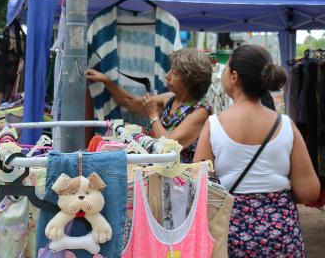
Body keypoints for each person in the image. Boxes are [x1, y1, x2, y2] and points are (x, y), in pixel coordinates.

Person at [194, 44, 320, 256]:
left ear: (234, 76)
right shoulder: (286, 125)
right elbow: (309, 192)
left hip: (229, 236)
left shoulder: (214, 125)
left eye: (226, 70)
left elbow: (198, 187)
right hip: (281, 235)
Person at [87, 48, 213, 163]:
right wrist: (106, 80)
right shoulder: (170, 98)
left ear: (189, 79)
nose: (167, 76)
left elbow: (169, 145)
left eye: (174, 73)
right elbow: (130, 102)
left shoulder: (201, 111)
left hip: (180, 180)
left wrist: (153, 115)